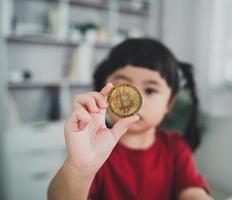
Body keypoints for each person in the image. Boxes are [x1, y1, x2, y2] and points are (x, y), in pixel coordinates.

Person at [48, 38, 213, 200]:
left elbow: (193, 192)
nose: (135, 99)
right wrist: (80, 168)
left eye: (150, 90)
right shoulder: (95, 152)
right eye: (123, 87)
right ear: (105, 92)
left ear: (169, 103)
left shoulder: (176, 148)